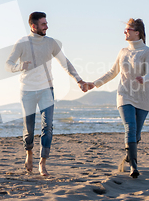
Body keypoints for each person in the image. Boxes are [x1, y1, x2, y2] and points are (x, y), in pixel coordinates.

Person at [6, 12, 88, 176]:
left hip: (46, 90)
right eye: (43, 24)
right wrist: (20, 66)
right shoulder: (22, 43)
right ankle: (29, 152)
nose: (47, 26)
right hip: (27, 90)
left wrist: (78, 80)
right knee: (28, 129)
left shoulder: (51, 43)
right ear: (33, 26)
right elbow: (8, 65)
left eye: (46, 23)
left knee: (47, 127)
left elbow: (66, 63)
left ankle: (43, 162)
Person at [86, 18, 149, 178]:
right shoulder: (123, 51)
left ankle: (129, 157)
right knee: (130, 128)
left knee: (136, 135)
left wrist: (144, 78)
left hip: (143, 97)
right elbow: (112, 72)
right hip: (124, 95)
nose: (125, 32)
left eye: (128, 29)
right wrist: (95, 83)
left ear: (137, 32)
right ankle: (134, 167)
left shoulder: (147, 51)